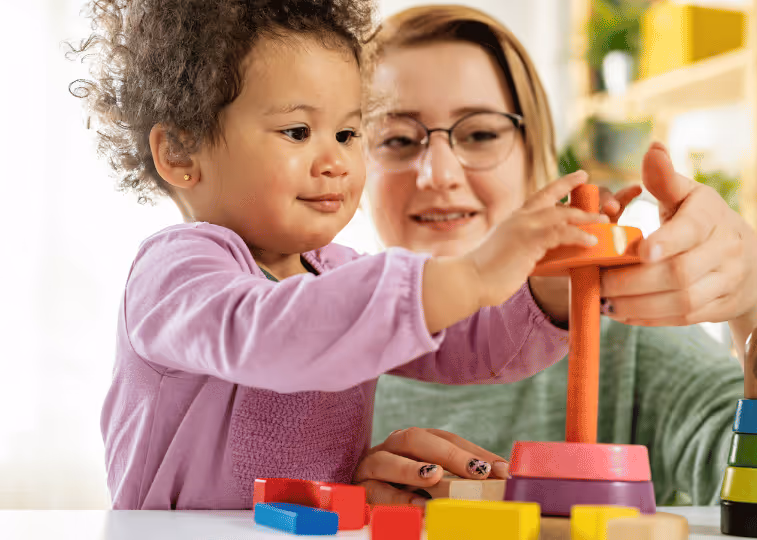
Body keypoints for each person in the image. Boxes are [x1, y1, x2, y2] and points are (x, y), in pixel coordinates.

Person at [361, 4, 757, 525]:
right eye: (397, 138)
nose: (438, 173)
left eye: (480, 133)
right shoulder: (302, 342)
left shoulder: (625, 341)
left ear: (535, 155)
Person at [71, 0, 612, 510]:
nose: (336, 162)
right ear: (181, 152)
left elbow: (471, 342)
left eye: (349, 132)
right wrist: (470, 274)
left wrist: (547, 294)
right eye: (298, 131)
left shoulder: (341, 273)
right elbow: (274, 333)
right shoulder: (175, 272)